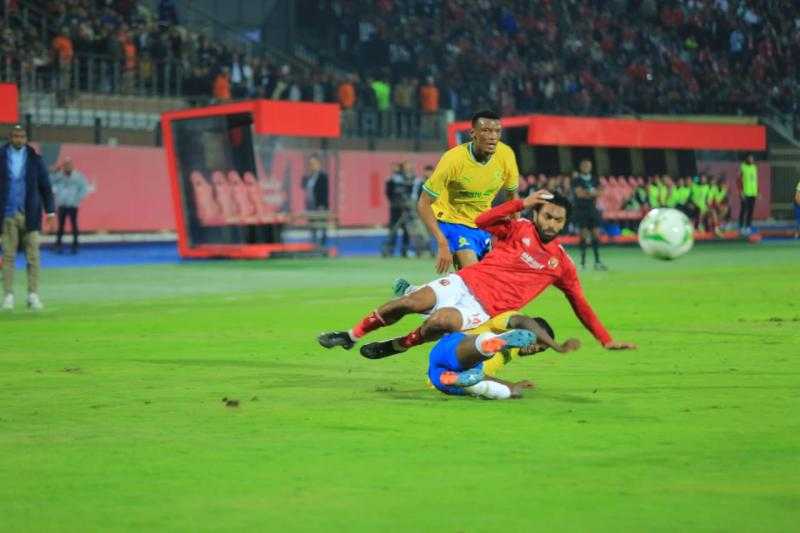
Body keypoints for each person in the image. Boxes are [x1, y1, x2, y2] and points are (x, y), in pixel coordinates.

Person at [318, 190, 636, 357]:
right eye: (548, 216)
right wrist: (519, 203)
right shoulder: (519, 227)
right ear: (536, 212)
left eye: (559, 221)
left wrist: (605, 340)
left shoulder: (560, 263)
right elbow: (483, 220)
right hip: (464, 281)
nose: (552, 224)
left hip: (481, 309)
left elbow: (580, 303)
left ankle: (401, 344)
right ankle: (350, 336)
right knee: (408, 302)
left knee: (439, 323)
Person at [417, 110, 519, 274]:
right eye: (486, 131)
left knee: (489, 281)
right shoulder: (453, 160)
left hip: (483, 223)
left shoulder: (506, 155)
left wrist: (516, 233)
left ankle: (414, 291)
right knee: (475, 277)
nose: (493, 136)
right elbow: (423, 203)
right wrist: (442, 243)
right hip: (452, 221)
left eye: (497, 131)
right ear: (473, 133)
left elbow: (513, 198)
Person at [429, 313, 581, 400]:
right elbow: (524, 321)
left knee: (500, 391)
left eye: (540, 350)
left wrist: (510, 386)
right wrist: (558, 347)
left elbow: (484, 374)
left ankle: (468, 377)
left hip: (443, 377)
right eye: (538, 342)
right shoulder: (509, 322)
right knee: (477, 358)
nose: (535, 349)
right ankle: (484, 346)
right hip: (457, 348)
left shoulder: (513, 351)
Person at [1, 125, 56, 311]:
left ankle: (33, 295)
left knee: (33, 257)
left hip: (30, 214)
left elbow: (45, 187)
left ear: (26, 139)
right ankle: (8, 296)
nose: (19, 139)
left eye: (22, 136)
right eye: (16, 136)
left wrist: (50, 212)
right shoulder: (0, 157)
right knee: (8, 257)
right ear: (10, 138)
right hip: (7, 215)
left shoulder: (35, 159)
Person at [571, 159, 607, 270]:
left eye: (588, 165)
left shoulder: (595, 179)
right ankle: (582, 262)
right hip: (581, 210)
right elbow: (579, 194)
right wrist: (592, 193)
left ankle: (597, 262)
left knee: (596, 235)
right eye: (584, 165)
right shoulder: (576, 180)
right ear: (581, 167)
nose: (586, 167)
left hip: (592, 210)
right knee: (584, 236)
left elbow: (601, 192)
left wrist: (588, 193)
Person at [51, 157, 91, 254]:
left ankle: (75, 245)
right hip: (62, 205)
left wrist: (77, 200)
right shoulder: (58, 176)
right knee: (60, 226)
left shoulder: (78, 177)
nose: (67, 166)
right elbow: (49, 183)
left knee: (74, 225)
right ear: (63, 166)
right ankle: (58, 245)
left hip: (73, 205)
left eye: (69, 164)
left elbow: (84, 189)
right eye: (65, 165)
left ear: (72, 166)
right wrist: (53, 173)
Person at [382, 162, 413, 257]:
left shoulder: (409, 178)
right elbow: (388, 193)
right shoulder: (391, 180)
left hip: (406, 208)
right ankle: (390, 250)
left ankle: (405, 250)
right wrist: (394, 202)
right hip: (395, 208)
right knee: (393, 229)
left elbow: (411, 192)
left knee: (407, 229)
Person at [301, 154, 329, 246]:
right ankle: (313, 243)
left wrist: (322, 205)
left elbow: (324, 192)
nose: (312, 166)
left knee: (321, 225)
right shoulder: (309, 177)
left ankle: (322, 244)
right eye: (310, 164)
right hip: (310, 205)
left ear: (318, 164)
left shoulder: (323, 176)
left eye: (314, 163)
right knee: (312, 226)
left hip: (320, 205)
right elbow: (302, 186)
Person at [738, 153, 758, 235]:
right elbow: (738, 180)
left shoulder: (754, 167)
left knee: (751, 211)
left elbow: (755, 180)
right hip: (745, 193)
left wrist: (757, 191)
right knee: (744, 210)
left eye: (752, 158)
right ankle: (741, 227)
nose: (751, 160)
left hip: (753, 193)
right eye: (749, 158)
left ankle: (748, 227)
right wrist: (740, 192)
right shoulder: (742, 167)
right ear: (746, 159)